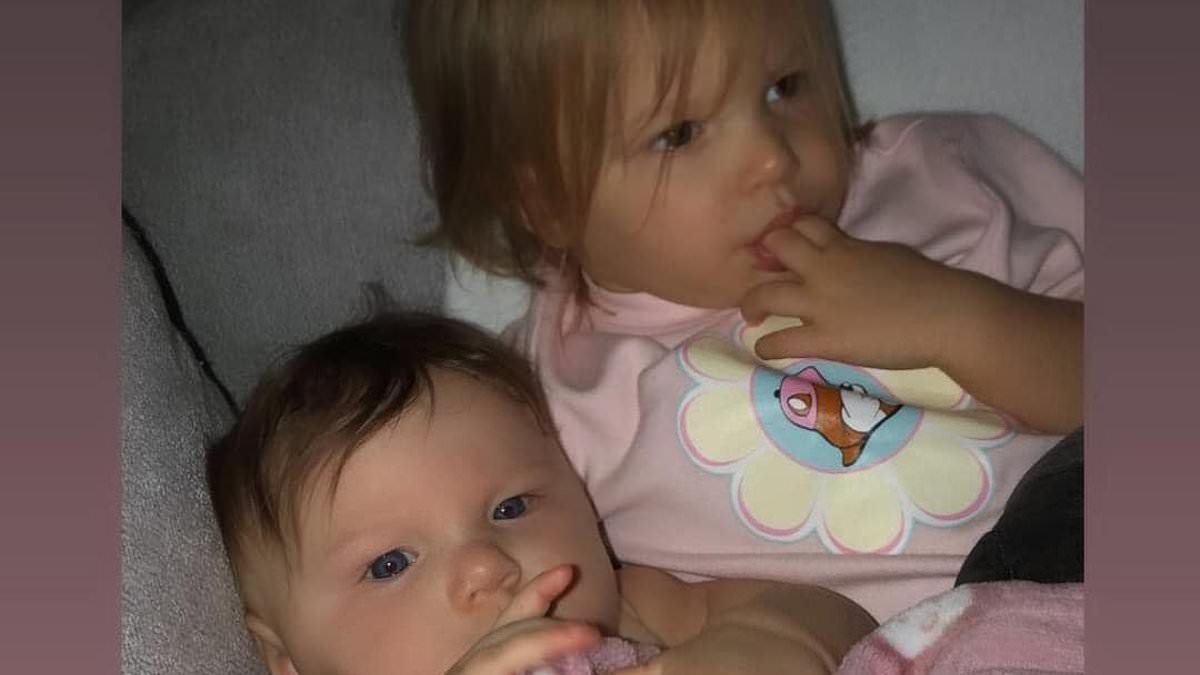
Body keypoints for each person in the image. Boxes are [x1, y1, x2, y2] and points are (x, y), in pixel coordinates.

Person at [402, 0, 1084, 620]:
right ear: (545, 200)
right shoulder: (541, 393)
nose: (771, 158)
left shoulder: (942, 179)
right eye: (679, 134)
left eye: (784, 87)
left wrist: (956, 319)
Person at [206, 311, 878, 675]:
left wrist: (763, 643)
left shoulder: (634, 607)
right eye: (390, 563)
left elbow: (840, 615)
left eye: (510, 508)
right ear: (287, 661)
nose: (485, 564)